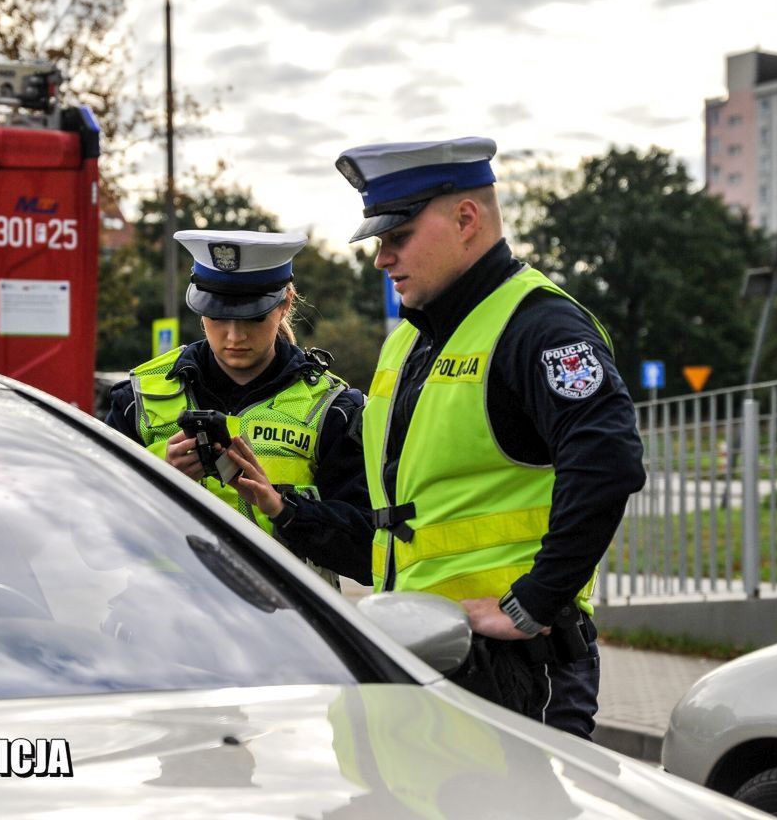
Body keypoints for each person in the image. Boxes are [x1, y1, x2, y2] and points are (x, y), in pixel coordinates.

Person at [333, 137, 646, 739]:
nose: (381, 259)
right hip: (429, 656)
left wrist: (534, 602)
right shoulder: (412, 339)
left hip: (516, 668)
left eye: (397, 237)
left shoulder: (539, 325)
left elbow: (607, 462)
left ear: (466, 220)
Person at [105, 229, 372, 587]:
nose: (234, 336)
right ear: (200, 311)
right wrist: (159, 484)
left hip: (286, 634)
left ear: (284, 304)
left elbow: (372, 554)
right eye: (217, 316)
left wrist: (284, 510)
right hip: (161, 630)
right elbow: (93, 545)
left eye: (253, 317)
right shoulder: (135, 400)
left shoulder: (333, 408)